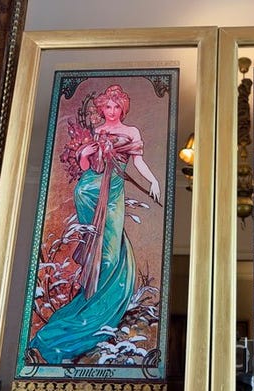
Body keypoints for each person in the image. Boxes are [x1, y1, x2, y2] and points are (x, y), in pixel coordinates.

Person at [29, 84, 160, 364]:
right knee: (98, 248)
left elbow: (137, 162)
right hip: (90, 190)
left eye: (116, 106)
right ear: (102, 108)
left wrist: (153, 181)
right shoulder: (98, 131)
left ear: (122, 108)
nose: (111, 111)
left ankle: (97, 312)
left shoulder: (131, 131)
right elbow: (88, 168)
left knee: (110, 256)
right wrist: (83, 155)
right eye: (107, 107)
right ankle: (88, 315)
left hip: (112, 193)